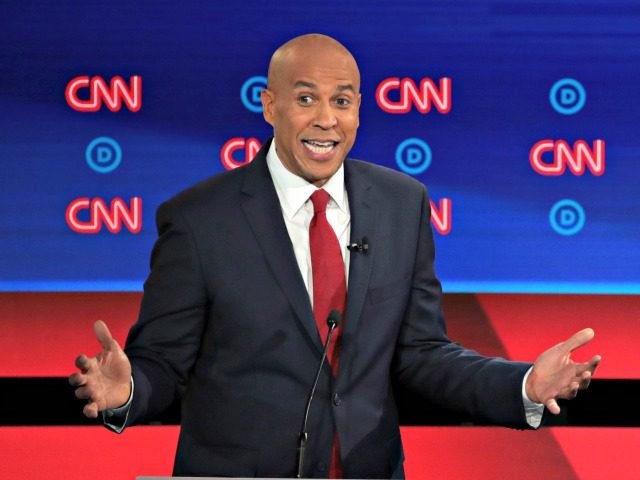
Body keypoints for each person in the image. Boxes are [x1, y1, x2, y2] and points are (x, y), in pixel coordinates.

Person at [69, 34, 600, 479]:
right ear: (270, 105)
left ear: (359, 111)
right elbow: (163, 361)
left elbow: (422, 352)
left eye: (342, 101)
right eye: (305, 99)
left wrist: (524, 384)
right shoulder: (199, 219)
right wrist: (127, 391)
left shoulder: (402, 203)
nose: (326, 120)